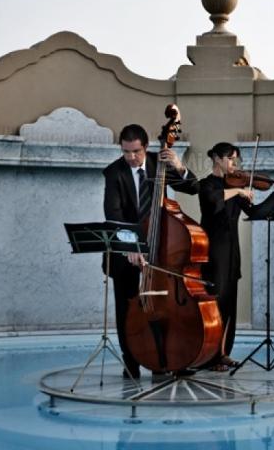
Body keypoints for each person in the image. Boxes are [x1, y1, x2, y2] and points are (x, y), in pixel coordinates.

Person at [103, 123, 199, 379]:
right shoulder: (114, 173)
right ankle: (131, 362)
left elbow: (193, 187)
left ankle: (169, 359)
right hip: (127, 253)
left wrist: (179, 166)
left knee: (165, 304)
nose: (130, 157)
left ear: (145, 147)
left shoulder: (161, 162)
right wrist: (131, 246)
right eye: (125, 152)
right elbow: (113, 216)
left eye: (135, 151)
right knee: (127, 309)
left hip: (161, 251)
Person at [198, 142, 274, 371]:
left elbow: (256, 213)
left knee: (229, 305)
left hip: (232, 251)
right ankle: (209, 357)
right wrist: (238, 191)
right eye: (230, 159)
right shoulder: (207, 185)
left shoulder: (236, 185)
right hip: (213, 251)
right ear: (217, 158)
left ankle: (223, 353)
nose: (234, 165)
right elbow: (212, 202)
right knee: (215, 305)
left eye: (235, 160)